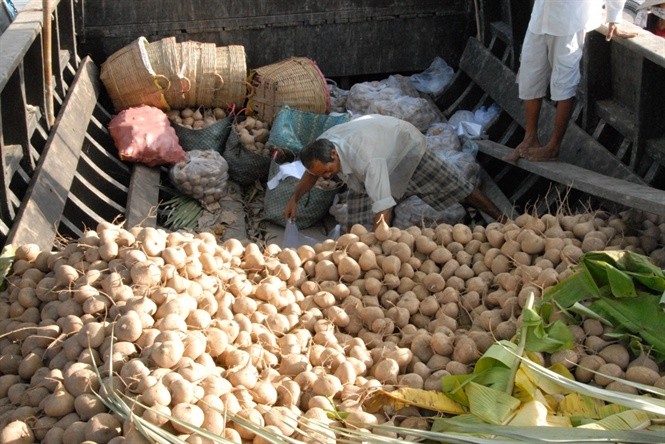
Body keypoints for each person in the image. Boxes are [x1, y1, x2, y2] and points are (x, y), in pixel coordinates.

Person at [283, 114, 507, 231]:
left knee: (457, 187)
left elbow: (383, 205)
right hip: (371, 161)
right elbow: (312, 173)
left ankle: (505, 220)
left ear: (334, 154)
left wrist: (382, 238)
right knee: (357, 228)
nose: (326, 177)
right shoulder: (321, 150)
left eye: (328, 171)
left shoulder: (366, 159)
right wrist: (294, 199)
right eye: (321, 174)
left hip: (406, 150)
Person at [506, 0, 637, 162]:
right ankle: (530, 137)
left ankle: (554, 147)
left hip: (571, 19)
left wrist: (613, 17)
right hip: (540, 17)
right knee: (530, 76)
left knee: (564, 83)